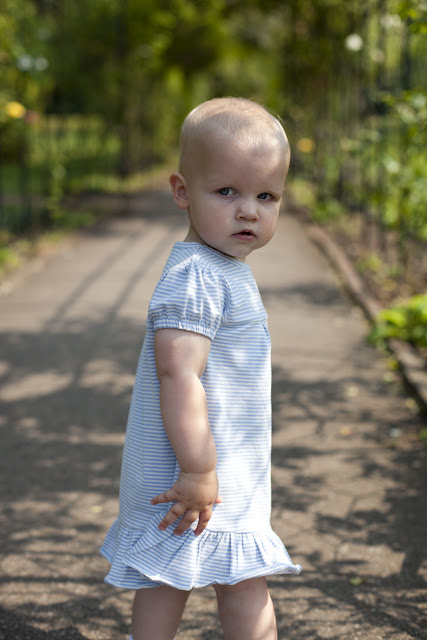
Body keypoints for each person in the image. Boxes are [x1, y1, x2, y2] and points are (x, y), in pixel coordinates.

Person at [100, 96, 302, 640]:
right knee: (199, 580)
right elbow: (178, 374)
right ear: (182, 192)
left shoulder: (221, 268)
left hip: (220, 466)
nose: (248, 211)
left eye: (266, 196)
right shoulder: (199, 276)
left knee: (195, 579)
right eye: (227, 191)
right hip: (191, 470)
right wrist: (196, 470)